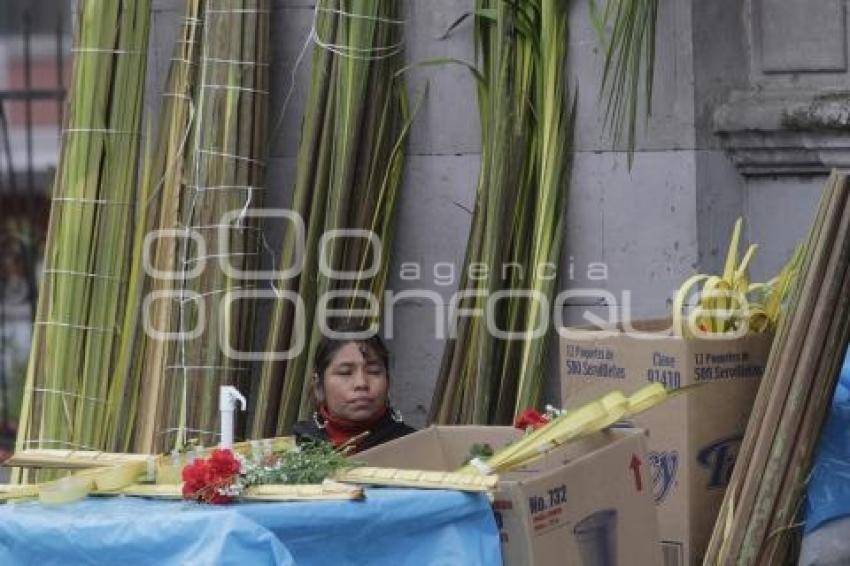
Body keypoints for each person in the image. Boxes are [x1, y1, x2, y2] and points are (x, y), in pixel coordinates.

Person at [293, 324, 415, 453]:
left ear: (388, 381)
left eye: (373, 372)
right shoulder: (293, 450)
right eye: (345, 372)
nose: (361, 383)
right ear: (318, 386)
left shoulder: (415, 447)